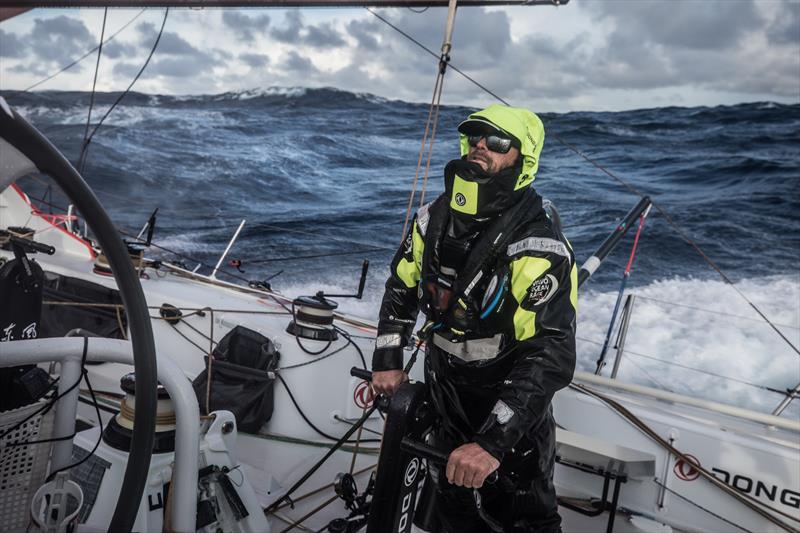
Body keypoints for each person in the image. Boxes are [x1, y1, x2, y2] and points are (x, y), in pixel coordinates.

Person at [371, 104, 577, 532]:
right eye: (475, 137)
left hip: (506, 409)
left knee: (523, 517)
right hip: (445, 392)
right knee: (451, 505)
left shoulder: (538, 245)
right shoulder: (433, 218)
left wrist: (492, 442)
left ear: (524, 157)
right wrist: (387, 359)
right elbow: (401, 287)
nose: (481, 146)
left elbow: (550, 352)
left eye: (498, 141)